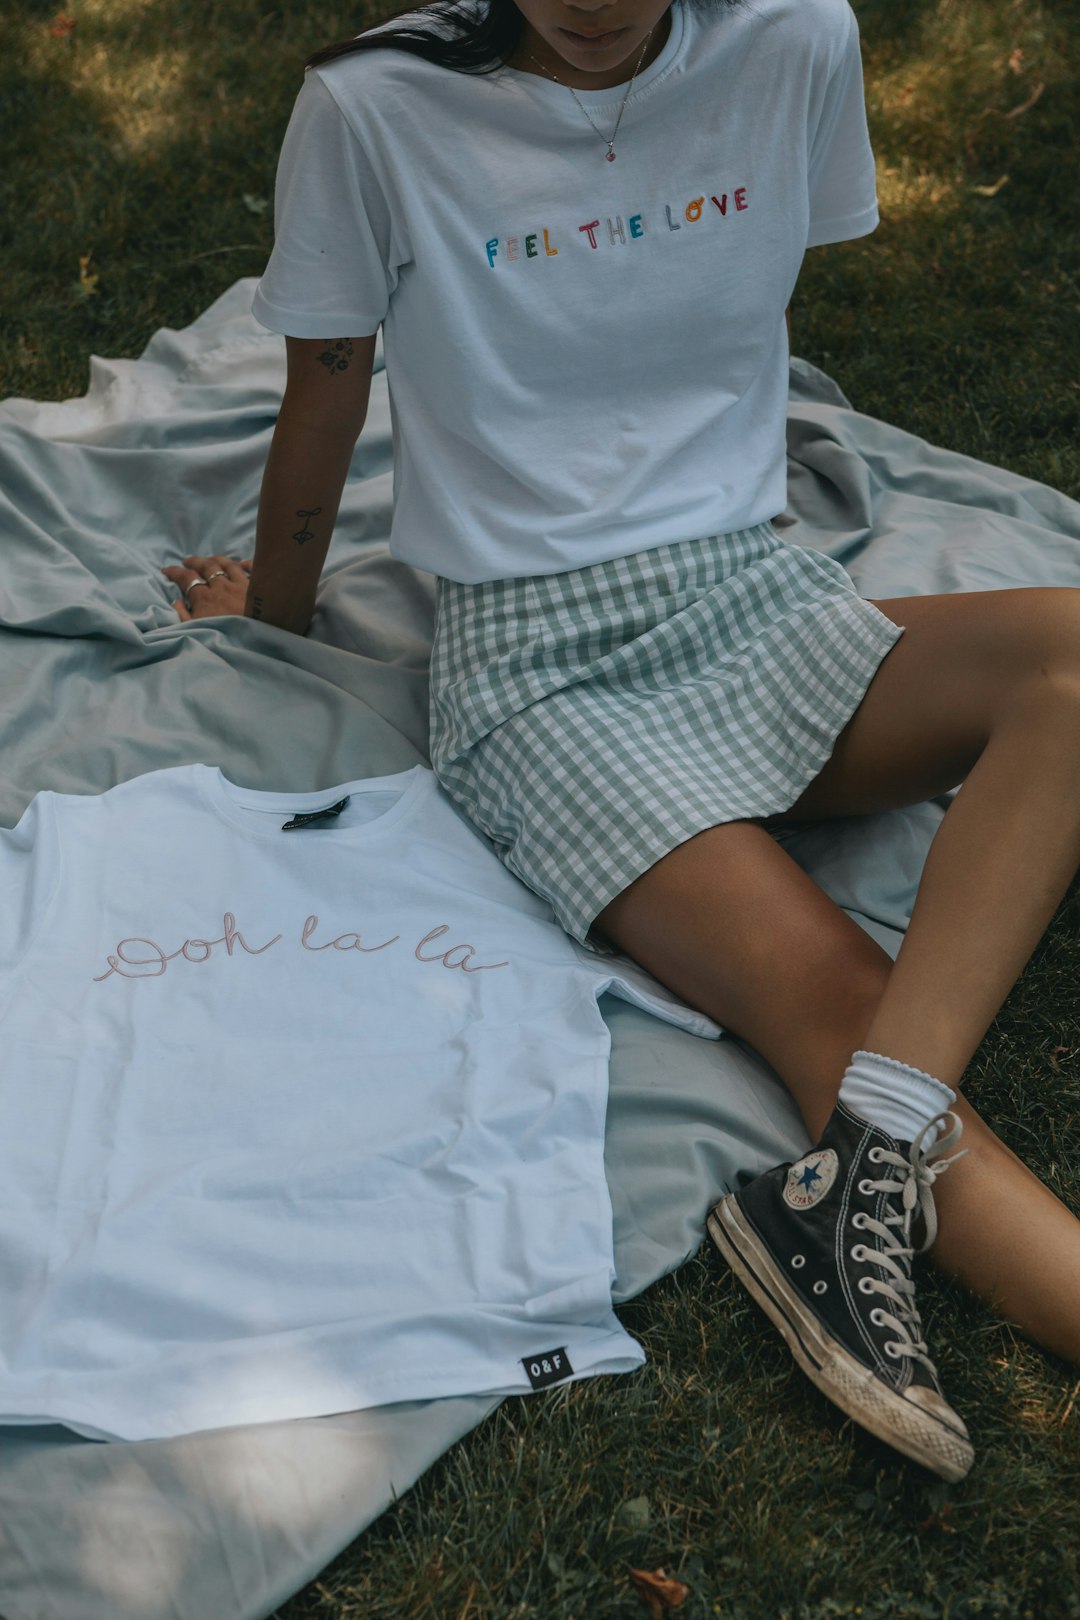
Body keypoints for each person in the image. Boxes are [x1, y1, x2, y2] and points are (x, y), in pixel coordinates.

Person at [162, 0, 1080, 1482]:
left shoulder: (797, 43)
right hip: (537, 669)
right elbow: (325, 387)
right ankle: (887, 1183)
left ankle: (841, 1186)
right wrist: (272, 611)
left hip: (750, 587)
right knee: (841, 997)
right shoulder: (372, 104)